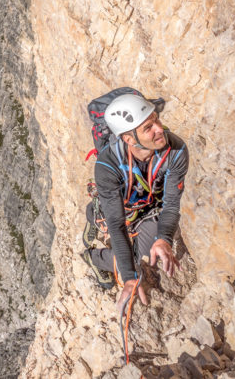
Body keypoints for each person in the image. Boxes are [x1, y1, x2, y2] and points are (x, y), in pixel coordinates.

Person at [80, 93, 189, 313]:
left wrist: (163, 239)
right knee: (127, 263)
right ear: (129, 139)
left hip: (148, 208)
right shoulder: (107, 165)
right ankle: (93, 257)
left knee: (143, 258)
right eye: (149, 127)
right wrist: (129, 277)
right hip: (122, 210)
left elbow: (171, 205)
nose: (160, 128)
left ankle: (102, 248)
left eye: (156, 119)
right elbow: (116, 224)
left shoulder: (176, 151)